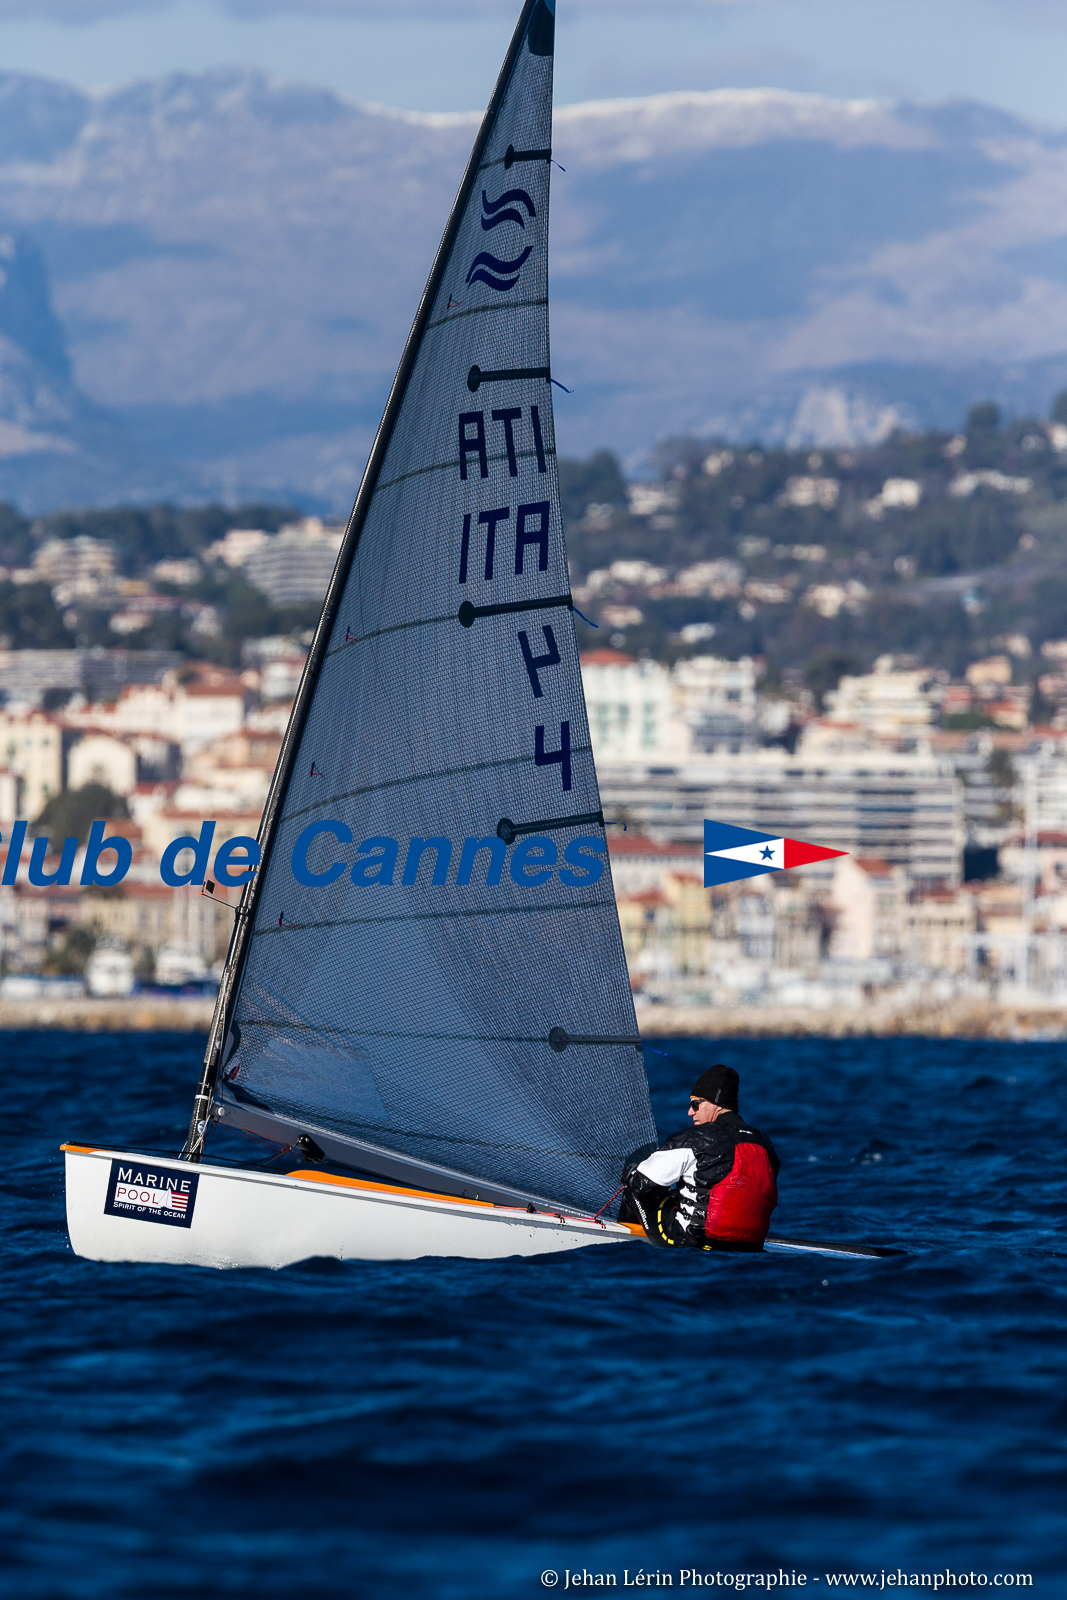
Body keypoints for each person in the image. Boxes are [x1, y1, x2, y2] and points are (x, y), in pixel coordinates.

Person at [622, 1065, 779, 1251]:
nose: (690, 1112)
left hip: (694, 1244)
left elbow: (643, 1184)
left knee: (634, 1186)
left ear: (716, 1103)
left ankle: (622, 1255)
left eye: (695, 1104)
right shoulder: (765, 1143)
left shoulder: (696, 1138)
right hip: (751, 1247)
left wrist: (630, 1173)